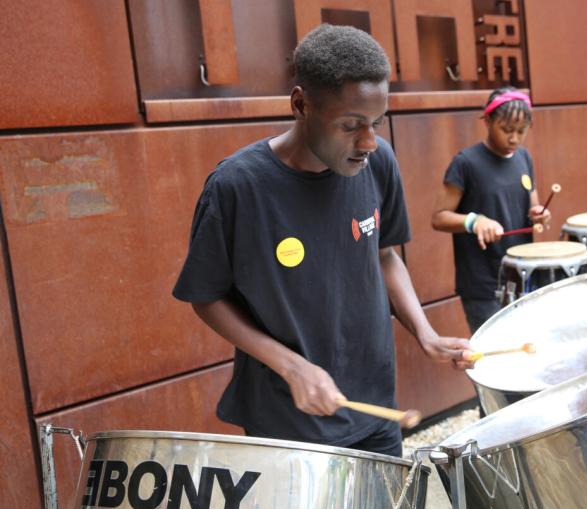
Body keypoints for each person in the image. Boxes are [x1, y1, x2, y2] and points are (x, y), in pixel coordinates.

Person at [172, 24, 473, 458]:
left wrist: (425, 333)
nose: (368, 141)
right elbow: (206, 296)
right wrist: (291, 367)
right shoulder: (237, 186)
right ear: (301, 105)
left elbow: (384, 255)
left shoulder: (378, 162)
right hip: (286, 421)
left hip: (375, 407)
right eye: (351, 125)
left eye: (376, 123)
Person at [431, 87, 551, 333]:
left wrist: (539, 213)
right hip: (484, 285)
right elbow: (439, 218)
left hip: (523, 275)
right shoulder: (466, 163)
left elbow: (532, 204)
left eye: (521, 131)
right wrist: (474, 221)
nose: (514, 138)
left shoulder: (524, 158)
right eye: (506, 130)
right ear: (487, 121)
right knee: (494, 364)